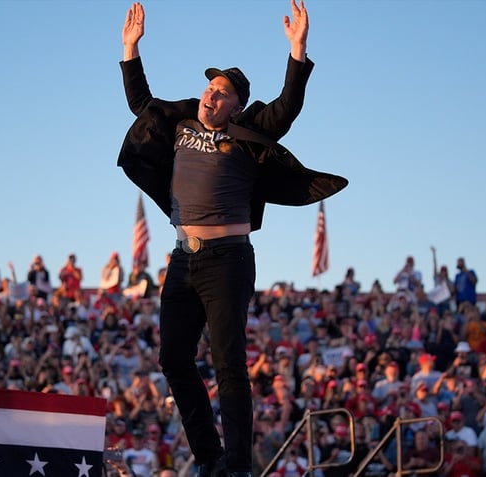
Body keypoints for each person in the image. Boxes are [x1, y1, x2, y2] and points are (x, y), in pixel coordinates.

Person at [118, 2, 346, 476]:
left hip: (228, 259)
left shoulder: (246, 134)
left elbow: (286, 109)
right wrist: (130, 50)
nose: (211, 95)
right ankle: (209, 458)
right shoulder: (180, 125)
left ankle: (238, 465)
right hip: (183, 259)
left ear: (236, 106)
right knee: (173, 359)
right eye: (209, 87)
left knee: (228, 362)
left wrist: (298, 51)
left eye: (222, 92)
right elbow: (143, 106)